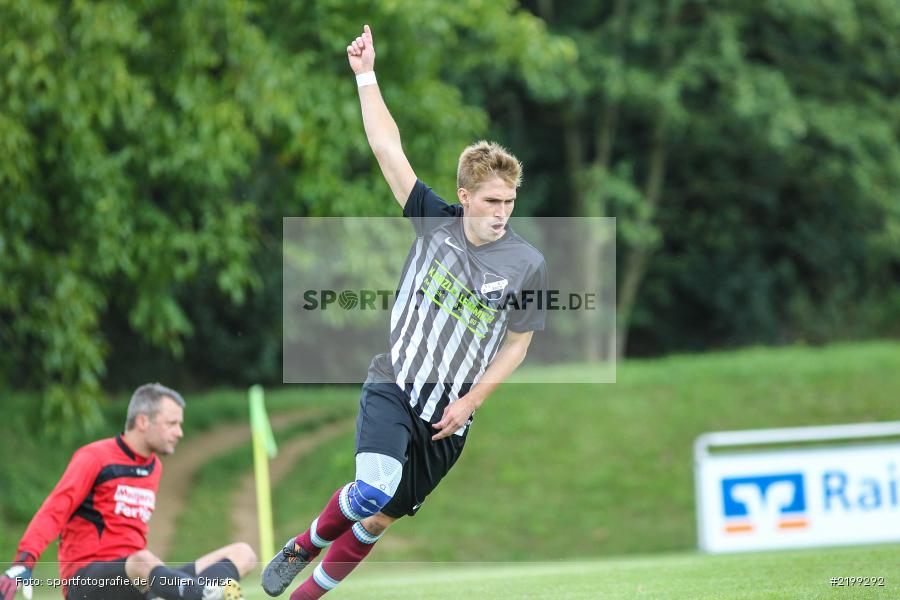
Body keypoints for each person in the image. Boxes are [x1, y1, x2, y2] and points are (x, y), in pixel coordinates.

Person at [262, 24, 547, 599]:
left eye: (509, 202)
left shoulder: (527, 264)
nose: (501, 213)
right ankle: (302, 546)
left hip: (449, 417)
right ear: (464, 197)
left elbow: (518, 345)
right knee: (372, 488)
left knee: (378, 520)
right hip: (395, 381)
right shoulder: (432, 219)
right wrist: (366, 75)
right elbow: (387, 148)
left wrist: (471, 401)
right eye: (491, 201)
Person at [0, 383, 257, 600]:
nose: (179, 432)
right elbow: (54, 511)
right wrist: (24, 562)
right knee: (143, 561)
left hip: (136, 580)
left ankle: (188, 593)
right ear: (143, 421)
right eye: (172, 423)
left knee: (243, 554)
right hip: (87, 582)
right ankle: (201, 594)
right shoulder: (95, 457)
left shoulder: (154, 467)